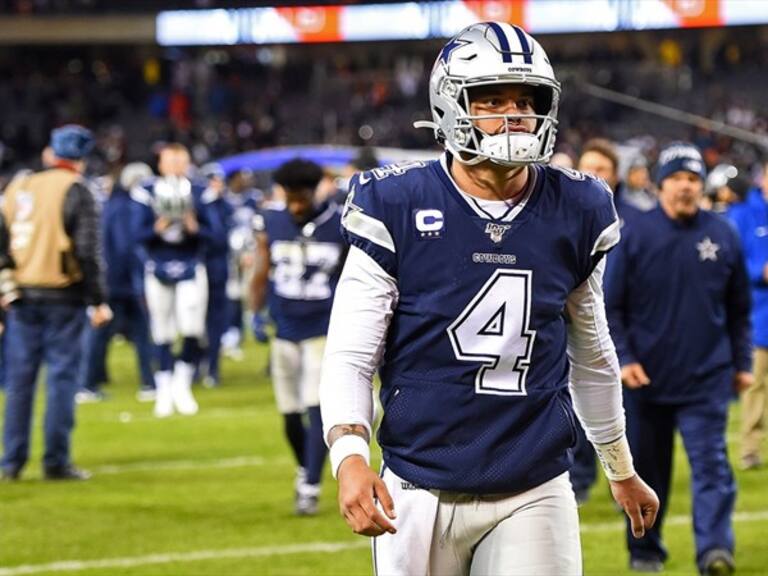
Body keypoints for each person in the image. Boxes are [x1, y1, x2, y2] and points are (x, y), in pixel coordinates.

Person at [319, 22, 658, 576]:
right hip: (419, 483)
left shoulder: (576, 207)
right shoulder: (396, 202)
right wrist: (350, 458)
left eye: (527, 100)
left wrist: (619, 467)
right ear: (452, 106)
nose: (515, 114)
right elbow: (352, 355)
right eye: (492, 99)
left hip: (534, 483)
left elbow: (592, 356)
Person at [605, 142, 752, 575]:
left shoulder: (723, 234)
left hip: (707, 377)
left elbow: (740, 309)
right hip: (645, 381)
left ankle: (714, 552)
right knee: (647, 474)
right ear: (660, 184)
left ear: (700, 185)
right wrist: (625, 358)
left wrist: (742, 363)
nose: (685, 187)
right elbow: (611, 308)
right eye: (677, 179)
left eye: (692, 179)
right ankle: (645, 552)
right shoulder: (634, 233)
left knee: (712, 469)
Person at [0, 125, 112, 481]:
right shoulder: (78, 189)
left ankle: (11, 461)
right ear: (81, 158)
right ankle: (56, 460)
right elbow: (87, 251)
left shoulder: (19, 187)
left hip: (21, 294)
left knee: (20, 382)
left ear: (51, 153)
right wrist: (98, 299)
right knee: (62, 378)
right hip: (63, 295)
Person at [250, 158, 346, 516]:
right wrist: (254, 310)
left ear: (315, 189)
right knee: (289, 414)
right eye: (289, 197)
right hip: (284, 328)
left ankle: (310, 485)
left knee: (315, 408)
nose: (295, 206)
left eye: (300, 197)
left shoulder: (339, 223)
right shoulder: (271, 220)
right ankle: (305, 467)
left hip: (323, 327)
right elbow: (262, 266)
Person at [131, 143, 221, 418]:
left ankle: (182, 383)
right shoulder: (145, 192)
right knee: (161, 329)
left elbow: (217, 236)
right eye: (170, 161)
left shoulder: (199, 191)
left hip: (191, 264)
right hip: (157, 265)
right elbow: (134, 235)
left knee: (192, 327)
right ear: (160, 164)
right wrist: (156, 228)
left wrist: (195, 228)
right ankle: (164, 386)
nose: (174, 167)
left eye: (180, 161)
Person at [77, 162, 157, 403]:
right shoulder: (127, 207)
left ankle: (89, 383)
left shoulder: (110, 204)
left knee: (102, 335)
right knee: (139, 333)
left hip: (110, 279)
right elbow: (125, 246)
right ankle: (148, 383)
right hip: (122, 282)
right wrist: (135, 281)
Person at [726, 161, 768, 470]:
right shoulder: (743, 214)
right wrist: (759, 271)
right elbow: (732, 260)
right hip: (758, 315)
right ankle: (751, 451)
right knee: (756, 385)